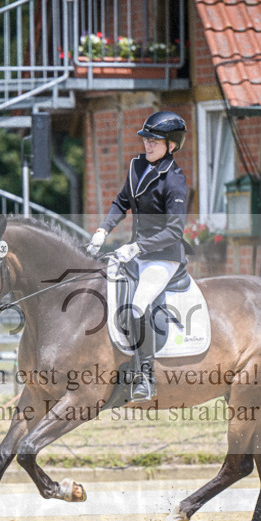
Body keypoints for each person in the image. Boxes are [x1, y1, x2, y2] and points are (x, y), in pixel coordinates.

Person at [87, 110, 189, 401]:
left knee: (137, 305)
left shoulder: (175, 180)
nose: (147, 145)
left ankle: (145, 376)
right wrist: (103, 230)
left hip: (164, 256)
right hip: (138, 253)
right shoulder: (137, 166)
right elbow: (121, 202)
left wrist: (138, 247)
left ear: (171, 145)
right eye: (146, 140)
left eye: (154, 142)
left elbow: (174, 231)